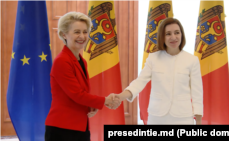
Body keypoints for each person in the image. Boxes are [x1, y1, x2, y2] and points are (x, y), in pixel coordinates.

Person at [45, 12, 120, 141]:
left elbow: (79, 93)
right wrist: (105, 100)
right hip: (62, 128)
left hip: (80, 126)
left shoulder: (81, 60)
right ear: (64, 34)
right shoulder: (62, 61)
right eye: (77, 32)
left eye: (85, 32)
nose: (82, 36)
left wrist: (91, 105)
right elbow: (77, 94)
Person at [113, 17, 203, 125]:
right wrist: (120, 97)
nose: (173, 37)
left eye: (177, 32)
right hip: (157, 118)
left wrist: (198, 121)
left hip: (183, 118)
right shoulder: (153, 58)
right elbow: (139, 82)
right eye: (168, 34)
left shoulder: (192, 60)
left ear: (181, 35)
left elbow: (197, 93)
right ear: (162, 37)